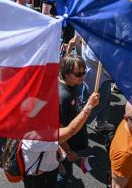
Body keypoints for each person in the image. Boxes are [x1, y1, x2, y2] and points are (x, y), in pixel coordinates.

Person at [57, 54, 89, 187]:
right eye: (78, 73)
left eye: (84, 72)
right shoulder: (63, 96)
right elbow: (58, 129)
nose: (82, 76)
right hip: (66, 147)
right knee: (64, 174)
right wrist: (68, 151)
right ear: (66, 73)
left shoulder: (74, 84)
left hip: (73, 141)